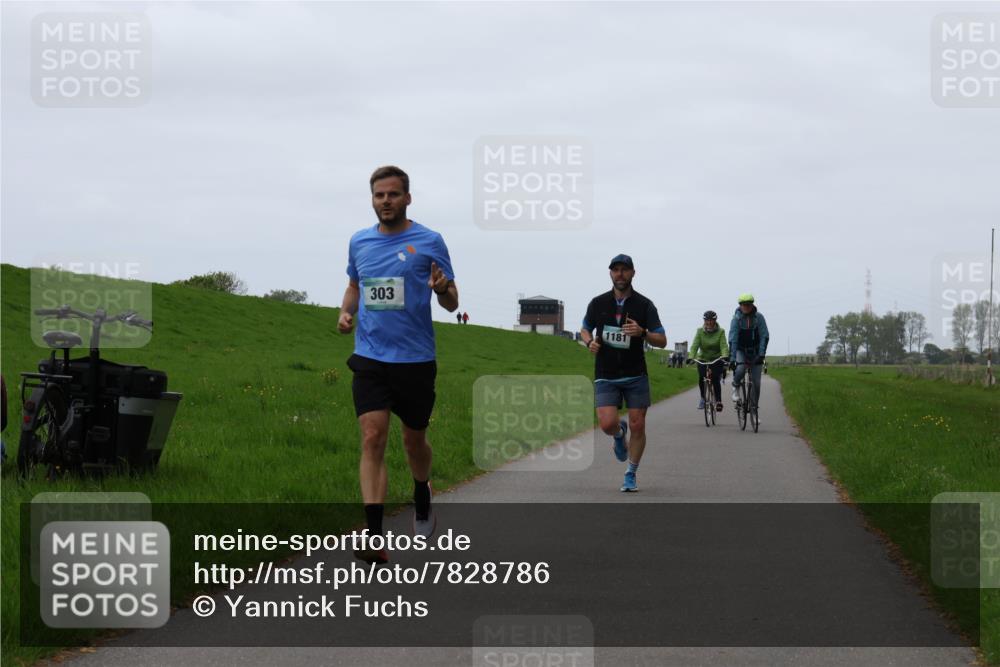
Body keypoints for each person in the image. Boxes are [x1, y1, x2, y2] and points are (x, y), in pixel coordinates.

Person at [338, 165, 459, 564]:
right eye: (378, 195)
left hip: (415, 359)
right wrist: (345, 313)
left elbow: (452, 300)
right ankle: (373, 535)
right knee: (372, 437)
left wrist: (442, 288)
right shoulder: (359, 242)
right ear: (372, 199)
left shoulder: (429, 241)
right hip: (371, 356)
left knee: (413, 440)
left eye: (392, 195)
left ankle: (422, 489)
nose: (385, 201)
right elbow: (355, 285)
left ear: (407, 198)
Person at [580, 254, 667, 492]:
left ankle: (631, 473)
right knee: (607, 424)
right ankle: (619, 434)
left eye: (624, 270)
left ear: (633, 273)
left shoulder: (644, 305)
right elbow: (584, 328)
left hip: (635, 374)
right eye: (615, 270)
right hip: (606, 374)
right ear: (610, 273)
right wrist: (589, 343)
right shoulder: (598, 303)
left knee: (638, 425)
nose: (620, 274)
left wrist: (642, 332)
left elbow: (662, 339)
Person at [728, 293, 769, 411]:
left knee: (756, 384)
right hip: (741, 350)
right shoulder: (736, 319)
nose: (745, 307)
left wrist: (761, 355)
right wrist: (732, 359)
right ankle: (735, 386)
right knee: (740, 369)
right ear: (740, 305)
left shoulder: (759, 317)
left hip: (756, 352)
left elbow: (764, 336)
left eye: (748, 304)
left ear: (752, 305)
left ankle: (754, 411)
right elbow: (733, 339)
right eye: (743, 304)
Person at [687, 311, 729, 412]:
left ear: (715, 321)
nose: (709, 322)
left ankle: (718, 401)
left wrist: (725, 356)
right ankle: (703, 398)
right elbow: (695, 345)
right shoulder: (699, 331)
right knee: (702, 377)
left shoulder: (721, 332)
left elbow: (723, 345)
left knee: (715, 379)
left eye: (711, 320)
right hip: (703, 358)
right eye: (707, 320)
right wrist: (691, 357)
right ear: (704, 321)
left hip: (716, 358)